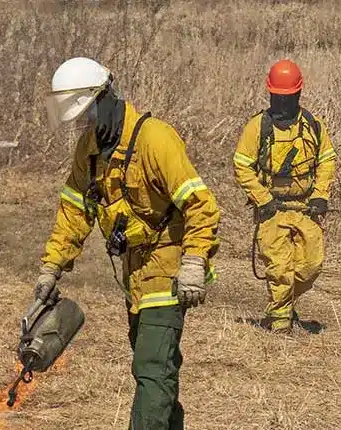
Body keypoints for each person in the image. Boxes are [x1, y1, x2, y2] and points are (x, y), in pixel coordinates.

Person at [35, 57, 221, 429]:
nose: (83, 127)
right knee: (155, 367)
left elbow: (201, 204)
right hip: (133, 272)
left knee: (152, 367)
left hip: (168, 267)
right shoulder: (89, 150)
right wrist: (50, 268)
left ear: (106, 98)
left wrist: (194, 262)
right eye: (79, 120)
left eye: (88, 116)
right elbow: (74, 213)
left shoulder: (155, 139)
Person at [232, 59, 336, 335]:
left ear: (298, 95)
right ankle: (280, 326)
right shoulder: (257, 127)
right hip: (271, 209)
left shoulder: (313, 125)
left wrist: (320, 195)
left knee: (311, 265)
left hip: (305, 208)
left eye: (288, 97)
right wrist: (261, 198)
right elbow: (242, 164)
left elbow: (326, 159)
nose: (283, 103)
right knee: (280, 268)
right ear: (270, 95)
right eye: (278, 97)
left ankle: (282, 305)